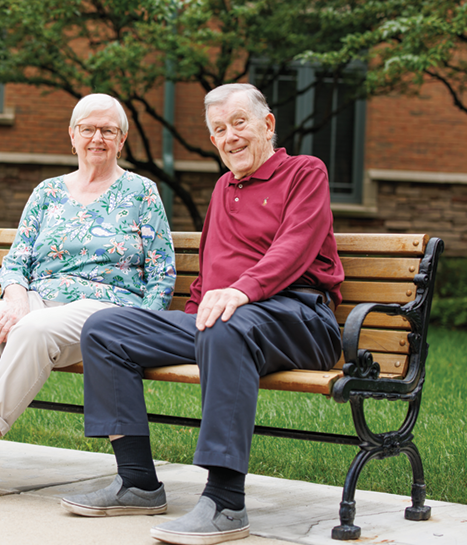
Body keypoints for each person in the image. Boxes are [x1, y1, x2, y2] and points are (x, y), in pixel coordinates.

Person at [60, 83, 344, 545]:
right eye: (218, 130)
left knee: (224, 326)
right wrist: (196, 310)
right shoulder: (223, 188)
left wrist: (240, 291)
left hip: (301, 318)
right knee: (105, 328)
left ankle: (226, 502)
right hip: (228, 320)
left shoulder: (304, 172)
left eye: (239, 123)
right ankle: (137, 482)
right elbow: (212, 268)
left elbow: (295, 248)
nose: (229, 136)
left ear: (266, 125)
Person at [0, 93, 176, 503]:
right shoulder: (48, 192)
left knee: (34, 331)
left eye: (108, 130)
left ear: (122, 140)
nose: (97, 138)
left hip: (105, 310)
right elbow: (16, 260)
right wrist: (16, 298)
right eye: (88, 129)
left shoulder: (141, 193)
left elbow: (162, 274)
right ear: (72, 137)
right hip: (39, 299)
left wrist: (137, 330)